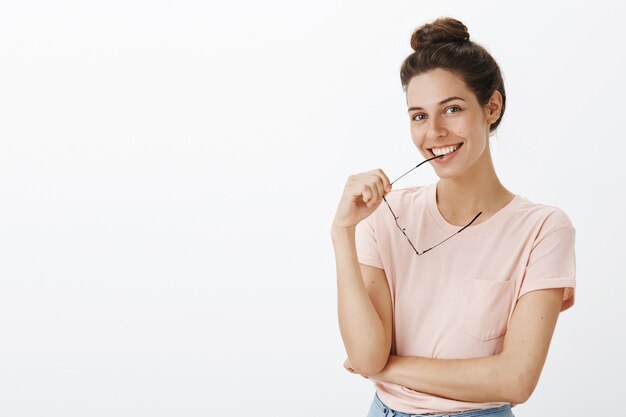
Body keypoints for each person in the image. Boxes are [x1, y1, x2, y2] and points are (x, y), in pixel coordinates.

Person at [330, 17, 576, 417]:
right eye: (419, 116)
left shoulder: (543, 230)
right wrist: (343, 232)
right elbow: (364, 352)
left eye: (453, 109)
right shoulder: (385, 214)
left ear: (491, 107)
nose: (435, 132)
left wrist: (390, 368)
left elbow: (516, 380)